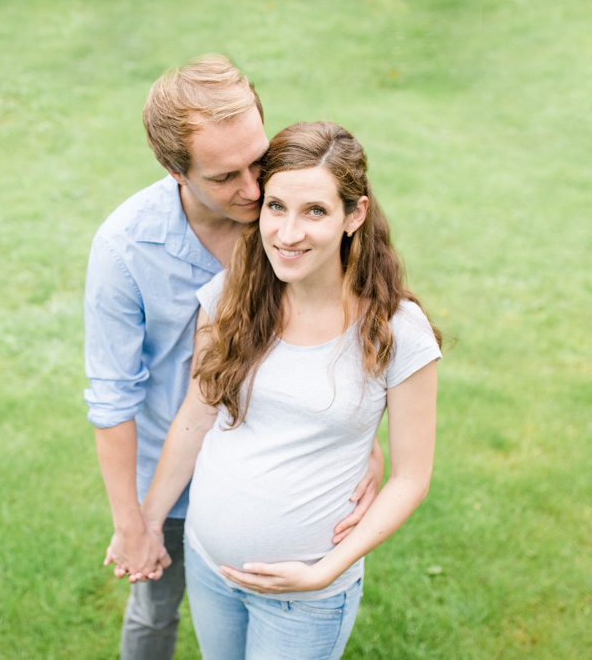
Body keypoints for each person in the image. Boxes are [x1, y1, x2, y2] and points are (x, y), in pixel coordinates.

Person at [83, 57, 386, 659]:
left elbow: (343, 336)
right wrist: (133, 523)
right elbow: (113, 396)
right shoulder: (124, 250)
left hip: (280, 470)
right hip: (171, 477)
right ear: (175, 170)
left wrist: (364, 442)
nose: (252, 190)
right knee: (153, 607)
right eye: (225, 177)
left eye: (258, 160)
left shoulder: (287, 218)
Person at [126, 121, 443, 659]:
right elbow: (195, 418)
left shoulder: (396, 329)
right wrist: (149, 522)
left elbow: (412, 478)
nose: (288, 233)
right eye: (276, 207)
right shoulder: (232, 295)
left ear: (355, 215)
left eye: (315, 211)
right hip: (209, 565)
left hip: (307, 596)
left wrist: (325, 573)